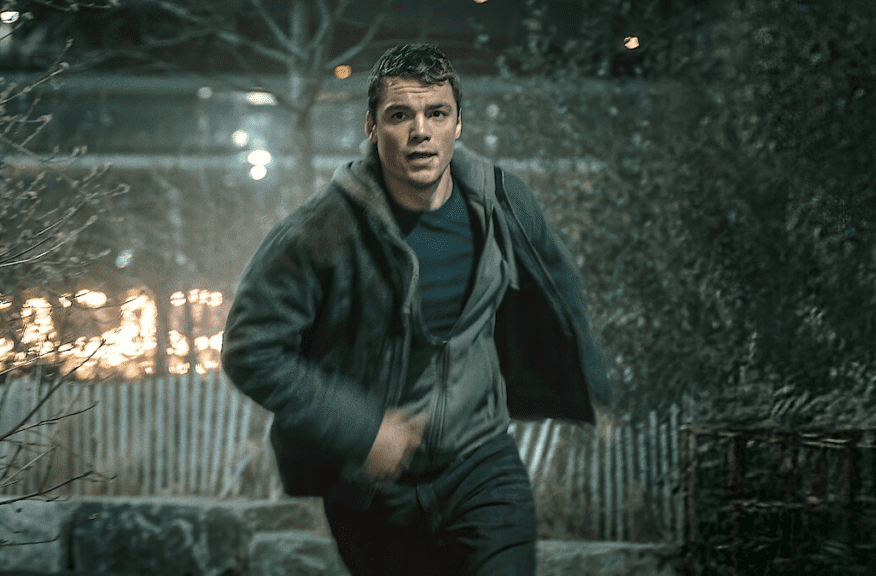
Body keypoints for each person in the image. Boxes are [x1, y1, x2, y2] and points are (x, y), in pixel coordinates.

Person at [222, 43, 612, 576]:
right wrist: (363, 429)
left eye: (437, 113)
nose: (420, 132)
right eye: (400, 115)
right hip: (374, 490)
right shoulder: (320, 233)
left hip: (482, 462)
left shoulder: (502, 202)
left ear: (458, 124)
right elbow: (250, 350)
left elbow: (560, 285)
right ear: (371, 126)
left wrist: (593, 385)